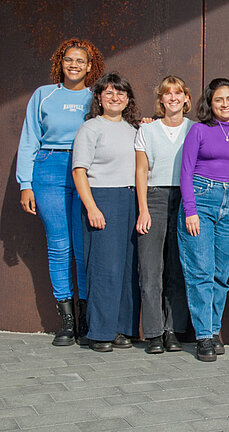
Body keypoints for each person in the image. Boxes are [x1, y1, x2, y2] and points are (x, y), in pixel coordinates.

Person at [16, 38, 104, 346]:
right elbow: (29, 140)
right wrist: (25, 184)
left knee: (83, 247)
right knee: (59, 245)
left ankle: (86, 318)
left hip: (86, 171)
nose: (75, 65)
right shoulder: (44, 95)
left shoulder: (97, 97)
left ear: (90, 67)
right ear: (60, 62)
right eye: (69, 59)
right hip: (49, 169)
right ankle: (67, 321)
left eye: (81, 61)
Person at [177, 78, 229, 362]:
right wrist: (190, 210)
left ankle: (214, 329)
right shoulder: (199, 130)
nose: (225, 104)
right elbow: (185, 171)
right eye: (219, 99)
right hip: (201, 198)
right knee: (201, 271)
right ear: (210, 103)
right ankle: (204, 335)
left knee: (221, 273)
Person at [71, 72, 141, 352]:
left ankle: (122, 329)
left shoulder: (133, 129)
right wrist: (91, 207)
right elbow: (79, 171)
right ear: (99, 98)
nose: (115, 97)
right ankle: (100, 332)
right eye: (109, 93)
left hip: (131, 199)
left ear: (128, 99)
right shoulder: (90, 128)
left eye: (121, 93)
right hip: (103, 198)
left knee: (127, 268)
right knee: (105, 268)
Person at [134, 75, 195, 354]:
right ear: (160, 99)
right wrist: (143, 209)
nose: (172, 98)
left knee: (178, 268)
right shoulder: (147, 130)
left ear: (185, 98)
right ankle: (154, 332)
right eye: (167, 93)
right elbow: (141, 171)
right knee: (150, 269)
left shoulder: (195, 129)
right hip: (155, 198)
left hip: (185, 199)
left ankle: (173, 329)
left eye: (178, 93)